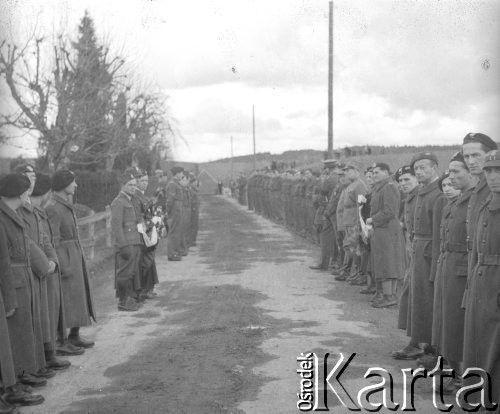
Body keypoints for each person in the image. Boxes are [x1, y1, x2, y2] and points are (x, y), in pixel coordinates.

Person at [0, 173, 45, 406]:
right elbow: (3, 263)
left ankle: (17, 381)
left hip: (20, 279)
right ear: (20, 193)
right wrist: (8, 300)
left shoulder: (11, 213)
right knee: (13, 338)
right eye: (27, 190)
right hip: (12, 284)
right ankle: (12, 386)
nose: (30, 193)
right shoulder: (3, 217)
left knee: (21, 334)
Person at [432, 152, 472, 395]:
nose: (451, 177)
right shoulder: (455, 202)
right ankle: (452, 367)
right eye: (450, 171)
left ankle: (461, 376)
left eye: (456, 172)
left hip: (462, 268)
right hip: (448, 264)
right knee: (447, 319)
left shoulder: (471, 201)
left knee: (457, 322)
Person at [462, 149, 500, 409]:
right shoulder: (486, 204)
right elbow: (475, 250)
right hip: (480, 281)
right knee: (479, 342)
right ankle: (480, 395)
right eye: (489, 171)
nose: (494, 176)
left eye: (498, 171)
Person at [46, 170, 96, 350]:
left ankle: (74, 335)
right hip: (66, 257)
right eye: (73, 182)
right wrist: (63, 263)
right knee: (66, 298)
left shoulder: (64, 203)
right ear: (64, 184)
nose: (76, 185)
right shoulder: (52, 207)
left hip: (75, 254)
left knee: (79, 295)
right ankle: (61, 341)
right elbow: (53, 239)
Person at [407, 152, 445, 366]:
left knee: (429, 299)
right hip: (419, 247)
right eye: (417, 169)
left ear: (434, 168)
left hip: (430, 251)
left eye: (424, 167)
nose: (419, 171)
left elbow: (439, 231)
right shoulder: (422, 191)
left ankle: (433, 347)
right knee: (419, 297)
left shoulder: (438, 193)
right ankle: (423, 343)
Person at [392, 165, 421, 360]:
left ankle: (420, 344)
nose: (403, 184)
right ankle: (417, 342)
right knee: (411, 296)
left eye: (407, 180)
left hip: (423, 255)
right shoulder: (410, 198)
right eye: (400, 181)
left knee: (420, 299)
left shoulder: (423, 196)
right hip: (413, 251)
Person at [366, 163, 405, 308]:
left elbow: (390, 211)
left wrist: (372, 220)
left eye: (377, 172)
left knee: (388, 263)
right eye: (373, 172)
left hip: (388, 230)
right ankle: (384, 294)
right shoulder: (380, 188)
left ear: (386, 172)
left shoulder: (389, 187)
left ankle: (390, 296)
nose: (374, 175)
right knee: (382, 262)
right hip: (381, 230)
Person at [110, 170, 144, 312]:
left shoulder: (129, 200)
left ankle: (128, 298)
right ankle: (123, 301)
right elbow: (117, 226)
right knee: (125, 272)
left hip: (135, 240)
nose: (133, 187)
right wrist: (123, 245)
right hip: (127, 243)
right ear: (123, 185)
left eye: (134, 185)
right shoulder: (118, 202)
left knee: (131, 272)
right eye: (130, 185)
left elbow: (136, 219)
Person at [166, 167, 185, 261]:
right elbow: (170, 200)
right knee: (173, 231)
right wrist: (169, 211)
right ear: (177, 174)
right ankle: (171, 254)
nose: (182, 175)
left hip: (178, 208)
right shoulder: (172, 184)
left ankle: (175, 252)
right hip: (175, 209)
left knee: (177, 231)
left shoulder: (176, 183)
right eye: (181, 173)